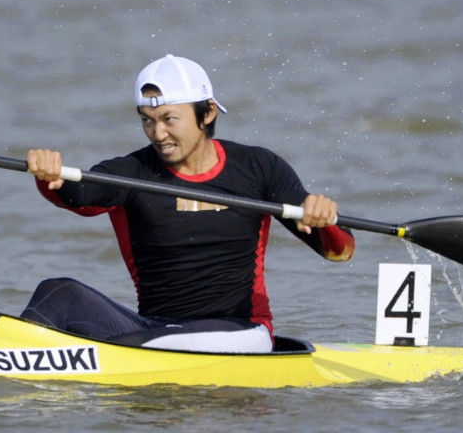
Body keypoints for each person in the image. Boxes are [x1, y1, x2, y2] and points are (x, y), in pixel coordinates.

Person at [21, 54, 355, 353]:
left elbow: (339, 251)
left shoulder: (258, 168)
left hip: (241, 331)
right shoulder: (133, 172)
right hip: (155, 328)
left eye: (169, 119)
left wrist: (327, 221)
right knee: (58, 292)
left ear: (207, 112)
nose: (157, 133)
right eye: (147, 120)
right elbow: (77, 197)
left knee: (133, 347)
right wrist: (50, 175)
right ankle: (6, 353)